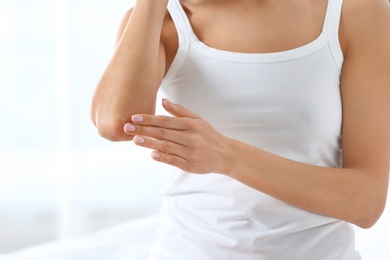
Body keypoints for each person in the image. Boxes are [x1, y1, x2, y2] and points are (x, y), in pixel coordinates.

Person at [91, 0, 390, 259]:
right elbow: (115, 122)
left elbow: (366, 201)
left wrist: (228, 156)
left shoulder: (355, 12)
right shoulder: (166, 20)